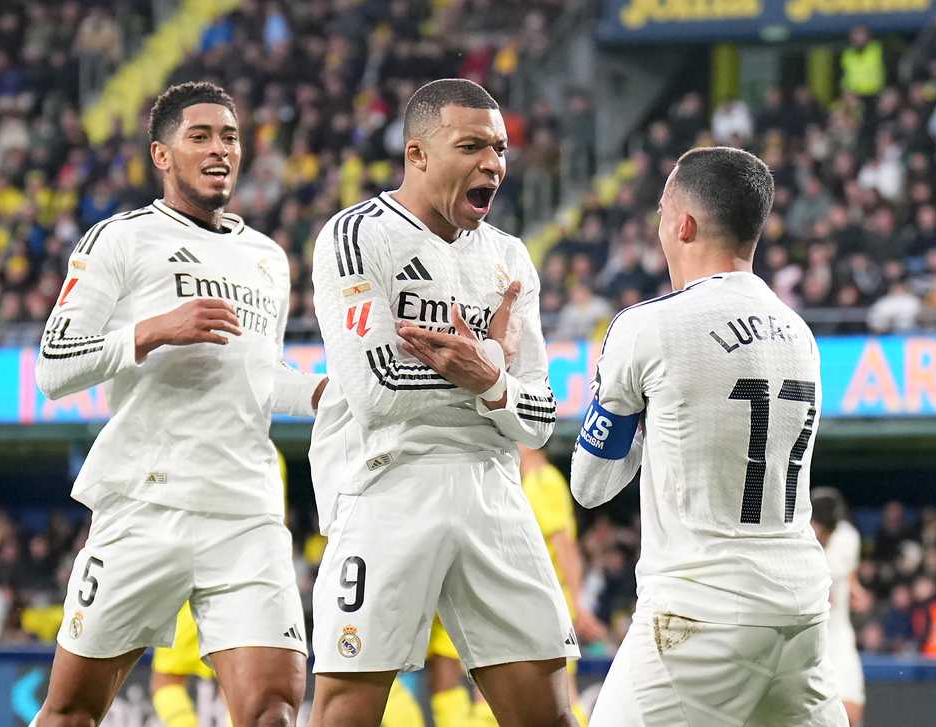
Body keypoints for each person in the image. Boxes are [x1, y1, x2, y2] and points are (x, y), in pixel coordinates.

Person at [31, 81, 326, 727]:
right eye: (201, 136)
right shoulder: (119, 240)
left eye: (230, 137)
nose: (220, 149)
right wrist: (150, 330)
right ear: (161, 155)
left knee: (273, 710)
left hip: (244, 509)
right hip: (146, 503)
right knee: (72, 711)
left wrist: (319, 392)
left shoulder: (267, 258)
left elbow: (260, 374)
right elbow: (53, 366)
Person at [308, 78, 578, 727]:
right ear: (418, 154)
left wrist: (489, 380)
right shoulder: (357, 236)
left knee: (549, 715)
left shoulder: (510, 257)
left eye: (502, 149)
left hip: (492, 493)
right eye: (473, 146)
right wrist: (489, 377)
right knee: (346, 711)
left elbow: (539, 418)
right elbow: (376, 390)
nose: (494, 163)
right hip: (388, 488)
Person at [570, 146, 847, 726]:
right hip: (800, 616)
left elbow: (590, 485)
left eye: (662, 207)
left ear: (685, 224)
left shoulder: (647, 327)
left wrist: (646, 418)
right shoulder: (800, 334)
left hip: (699, 616)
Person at [434, 444, 607, 727]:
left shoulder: (544, 481)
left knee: (559, 697)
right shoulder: (526, 483)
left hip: (545, 606)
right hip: (531, 602)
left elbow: (566, 549)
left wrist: (577, 606)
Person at [812, 488, 867, 726]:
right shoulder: (797, 543)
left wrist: (858, 592)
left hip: (840, 636)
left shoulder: (848, 538)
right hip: (810, 641)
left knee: (851, 714)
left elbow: (851, 578)